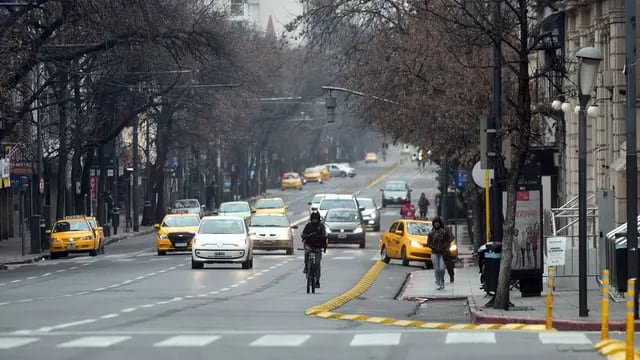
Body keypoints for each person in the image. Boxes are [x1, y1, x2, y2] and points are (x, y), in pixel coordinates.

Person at [302, 211, 327, 288]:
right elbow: (303, 234)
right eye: (313, 219)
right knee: (306, 253)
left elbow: (324, 236)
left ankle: (317, 280)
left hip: (318, 247)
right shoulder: (308, 226)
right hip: (309, 245)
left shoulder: (321, 226)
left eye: (316, 219)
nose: (315, 220)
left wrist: (319, 238)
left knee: (317, 264)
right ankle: (306, 267)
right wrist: (307, 236)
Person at [428, 216, 452, 290]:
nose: (437, 224)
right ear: (433, 224)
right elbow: (428, 243)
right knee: (437, 269)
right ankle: (438, 282)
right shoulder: (431, 233)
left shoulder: (444, 232)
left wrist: (444, 247)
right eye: (435, 222)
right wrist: (434, 247)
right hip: (434, 253)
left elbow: (448, 240)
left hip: (442, 253)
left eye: (438, 222)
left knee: (442, 268)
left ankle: (442, 280)